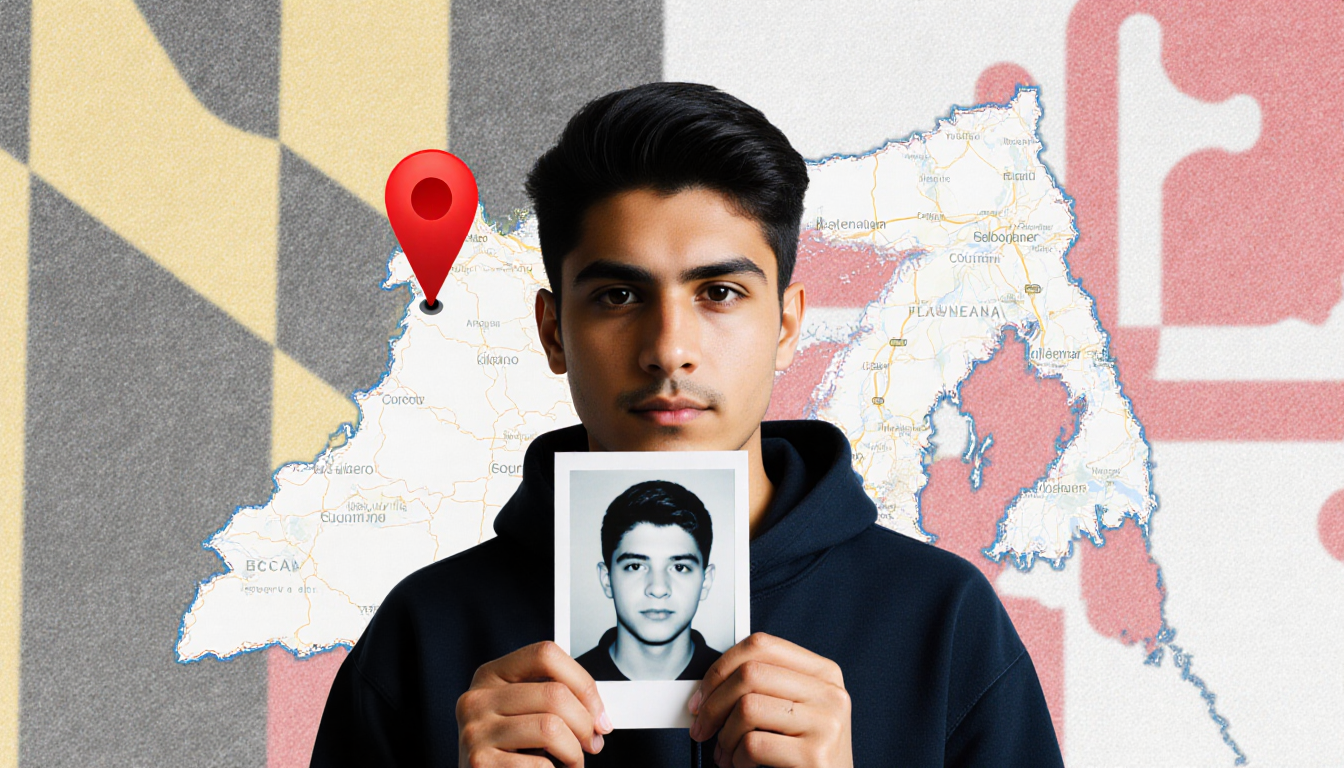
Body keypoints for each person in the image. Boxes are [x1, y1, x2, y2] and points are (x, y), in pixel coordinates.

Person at [310, 81, 1064, 767]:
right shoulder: (424, 632)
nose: (669, 349)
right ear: (551, 332)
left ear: (787, 325)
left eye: (721, 293)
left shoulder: (942, 621)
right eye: (617, 297)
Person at [575, 479, 721, 682]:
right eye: (635, 566)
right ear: (606, 579)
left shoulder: (736, 682)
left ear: (706, 581)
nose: (658, 588)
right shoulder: (565, 682)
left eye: (679, 567)